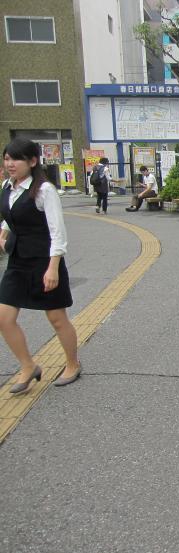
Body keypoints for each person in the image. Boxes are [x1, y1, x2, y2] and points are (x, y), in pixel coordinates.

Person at [0, 139, 81, 393]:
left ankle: (72, 363)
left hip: (44, 261)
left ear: (32, 162)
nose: (9, 164)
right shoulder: (7, 186)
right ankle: (28, 366)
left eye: (16, 159)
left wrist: (53, 267)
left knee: (57, 318)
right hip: (17, 262)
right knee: (4, 318)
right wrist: (3, 234)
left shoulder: (44, 190)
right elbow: (10, 218)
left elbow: (58, 232)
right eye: (6, 158)